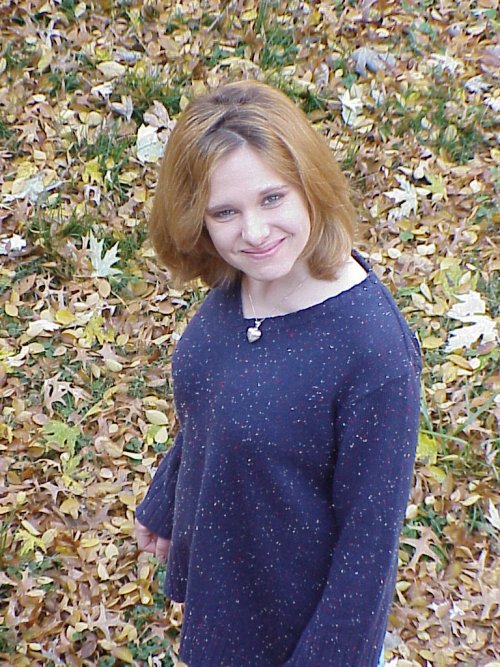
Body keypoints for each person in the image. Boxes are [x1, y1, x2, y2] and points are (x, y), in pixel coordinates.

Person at [134, 80, 421, 667]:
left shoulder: (374, 352)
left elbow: (368, 550)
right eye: (225, 212)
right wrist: (168, 498)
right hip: (228, 589)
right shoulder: (242, 283)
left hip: (294, 631)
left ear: (310, 185)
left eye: (272, 198)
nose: (255, 233)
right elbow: (214, 400)